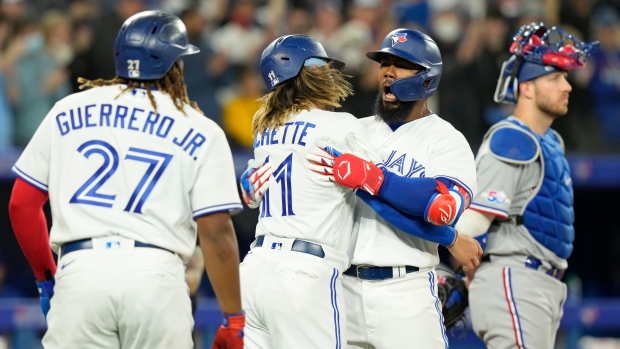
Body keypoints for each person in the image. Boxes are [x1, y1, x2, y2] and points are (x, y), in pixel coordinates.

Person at [7, 11, 244, 349]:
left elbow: (21, 204)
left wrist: (46, 279)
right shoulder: (200, 127)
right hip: (156, 278)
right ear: (173, 64)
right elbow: (216, 230)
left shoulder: (67, 108)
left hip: (81, 272)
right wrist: (233, 318)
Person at [242, 29, 483, 349]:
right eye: (384, 62)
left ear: (427, 77)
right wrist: (252, 176)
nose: (388, 71)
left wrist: (374, 179)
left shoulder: (446, 139)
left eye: (401, 63)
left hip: (404, 291)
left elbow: (442, 208)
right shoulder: (350, 128)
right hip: (341, 289)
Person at [454, 22, 598, 348]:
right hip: (513, 278)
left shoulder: (551, 141)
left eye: (565, 77)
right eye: (555, 78)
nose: (567, 86)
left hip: (538, 283)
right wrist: (459, 262)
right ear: (527, 88)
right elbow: (474, 219)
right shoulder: (512, 138)